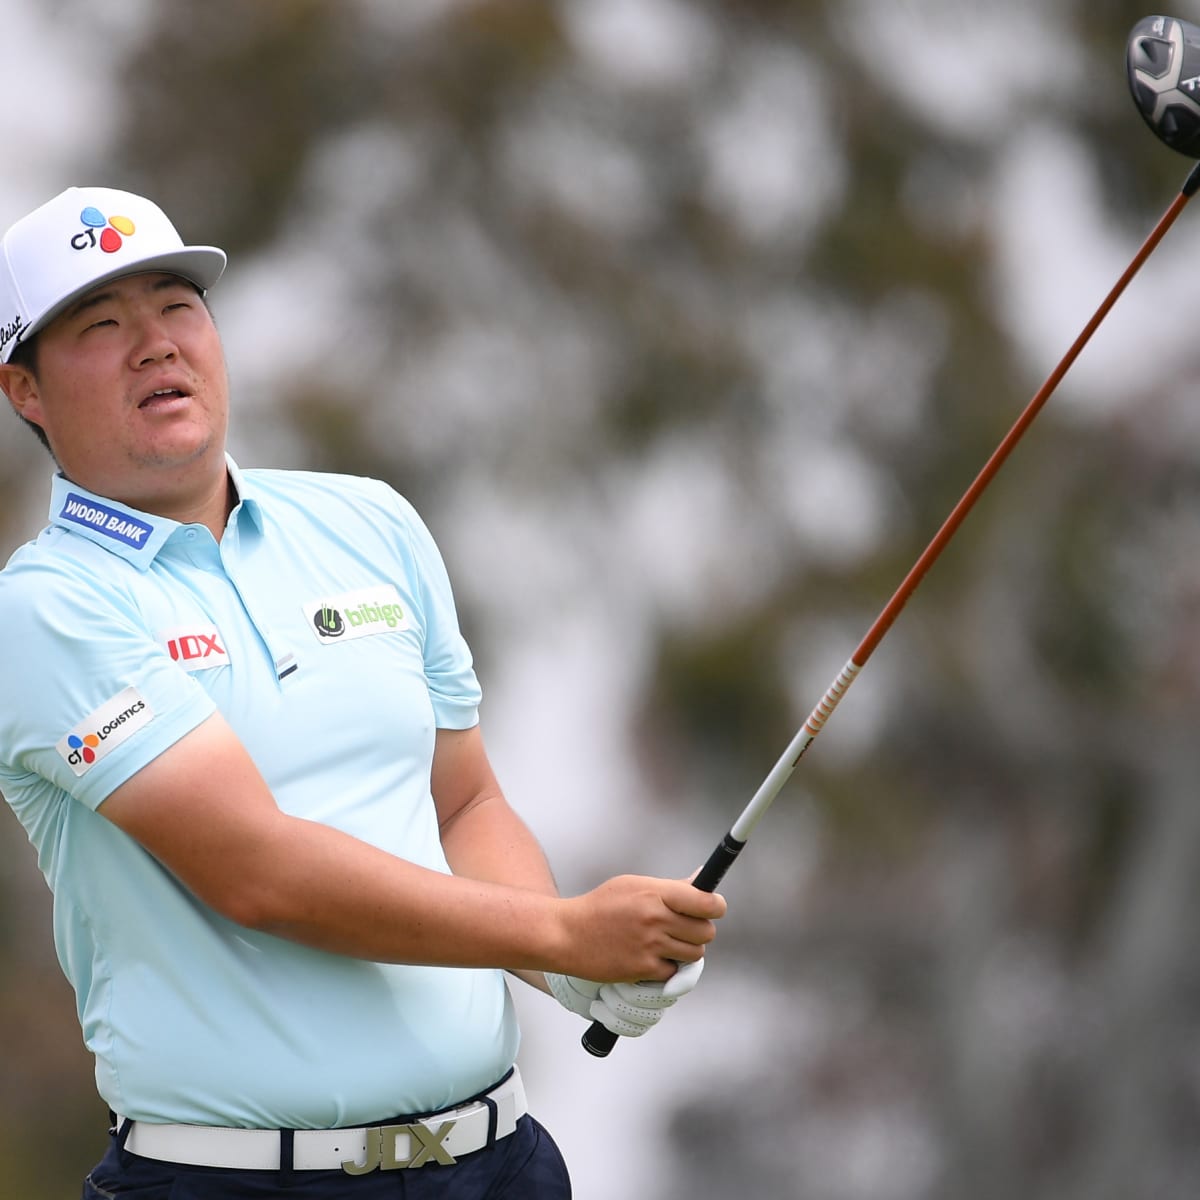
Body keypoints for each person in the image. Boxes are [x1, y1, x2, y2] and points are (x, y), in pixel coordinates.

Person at [0, 186, 727, 1199]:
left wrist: (573, 970)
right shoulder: (45, 608)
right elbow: (259, 874)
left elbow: (462, 802)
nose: (155, 344)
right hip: (233, 1184)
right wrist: (561, 931)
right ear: (25, 391)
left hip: (499, 1164)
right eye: (101, 326)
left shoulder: (368, 523)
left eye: (176, 307)